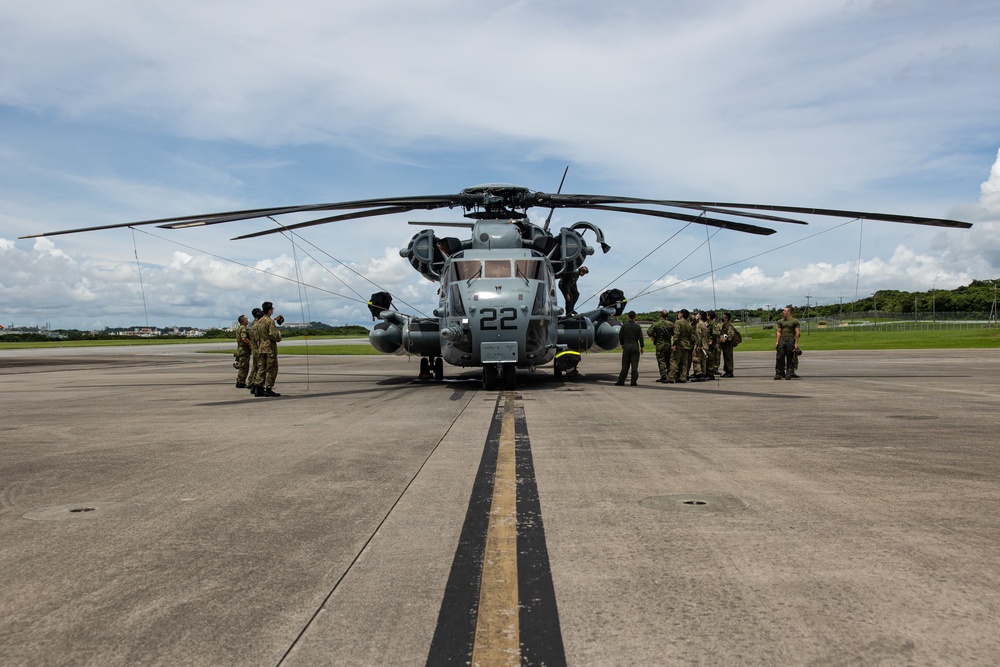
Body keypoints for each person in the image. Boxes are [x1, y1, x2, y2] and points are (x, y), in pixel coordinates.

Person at [251, 301, 282, 396]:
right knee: (271, 369)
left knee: (261, 368)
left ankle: (258, 387)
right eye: (272, 309)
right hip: (269, 348)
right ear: (269, 310)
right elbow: (273, 334)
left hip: (261, 347)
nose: (272, 311)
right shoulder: (269, 321)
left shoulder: (259, 321)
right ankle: (268, 388)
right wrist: (279, 337)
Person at [615, 310, 644, 386]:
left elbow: (620, 335)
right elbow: (641, 337)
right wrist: (642, 346)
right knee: (634, 366)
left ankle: (621, 381)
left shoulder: (624, 326)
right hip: (635, 346)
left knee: (625, 366)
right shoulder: (637, 326)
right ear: (635, 317)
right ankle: (633, 381)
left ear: (628, 317)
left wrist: (622, 343)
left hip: (627, 346)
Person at [647, 310, 674, 383]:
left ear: (660, 315)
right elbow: (674, 333)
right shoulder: (671, 324)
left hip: (660, 345)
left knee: (661, 360)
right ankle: (670, 375)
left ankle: (663, 376)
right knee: (668, 360)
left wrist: (655, 335)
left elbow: (649, 332)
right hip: (668, 344)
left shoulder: (656, 324)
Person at [775, 306, 801, 380]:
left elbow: (797, 332)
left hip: (790, 339)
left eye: (785, 311)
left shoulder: (795, 321)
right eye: (783, 311)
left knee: (790, 357)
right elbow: (779, 331)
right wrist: (777, 341)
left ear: (789, 312)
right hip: (782, 339)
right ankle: (779, 373)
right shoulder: (780, 321)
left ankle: (789, 373)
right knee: (780, 357)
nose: (783, 312)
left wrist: (796, 343)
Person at [669, 309, 694, 383]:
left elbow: (676, 334)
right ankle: (683, 377)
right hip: (687, 345)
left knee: (674, 361)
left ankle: (671, 377)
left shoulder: (678, 322)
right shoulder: (689, 324)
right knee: (684, 363)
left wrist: (674, 344)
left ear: (682, 314)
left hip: (679, 345)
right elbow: (691, 336)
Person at [247, 308, 264, 395]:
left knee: (256, 367)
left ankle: (253, 383)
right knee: (258, 367)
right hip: (258, 349)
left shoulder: (254, 323)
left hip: (256, 349)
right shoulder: (257, 324)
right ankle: (255, 384)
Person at [719, 312, 740, 377]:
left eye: (724, 317)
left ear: (726, 318)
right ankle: (727, 371)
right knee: (725, 358)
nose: (722, 318)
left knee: (728, 358)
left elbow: (731, 334)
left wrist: (725, 339)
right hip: (725, 345)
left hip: (728, 345)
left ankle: (730, 372)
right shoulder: (724, 326)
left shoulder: (729, 326)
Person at [234, 314, 252, 388]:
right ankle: (240, 382)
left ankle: (240, 381)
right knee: (244, 367)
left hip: (242, 349)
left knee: (243, 366)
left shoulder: (240, 328)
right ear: (243, 321)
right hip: (243, 350)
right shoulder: (243, 328)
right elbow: (244, 338)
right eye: (246, 319)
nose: (247, 320)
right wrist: (250, 342)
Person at [705, 310, 720, 380]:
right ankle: (708, 373)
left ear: (709, 316)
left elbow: (715, 333)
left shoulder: (712, 324)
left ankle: (711, 374)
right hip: (707, 343)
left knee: (711, 359)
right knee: (708, 358)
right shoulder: (708, 324)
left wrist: (712, 341)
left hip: (711, 345)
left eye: (707, 315)